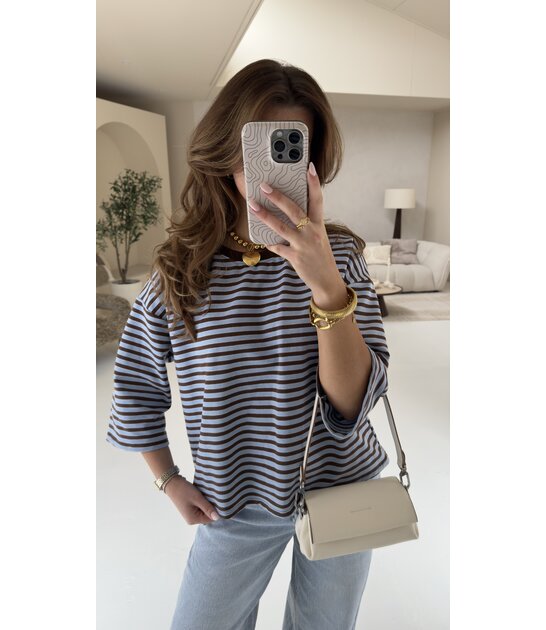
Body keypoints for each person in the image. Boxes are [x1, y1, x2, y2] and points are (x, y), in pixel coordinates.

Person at [106, 58, 391, 630]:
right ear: (224, 150)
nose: (276, 170)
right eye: (262, 147)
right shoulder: (180, 272)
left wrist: (324, 282)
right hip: (232, 500)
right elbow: (135, 386)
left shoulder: (341, 258)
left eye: (294, 148)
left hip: (341, 487)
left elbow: (353, 404)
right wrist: (167, 478)